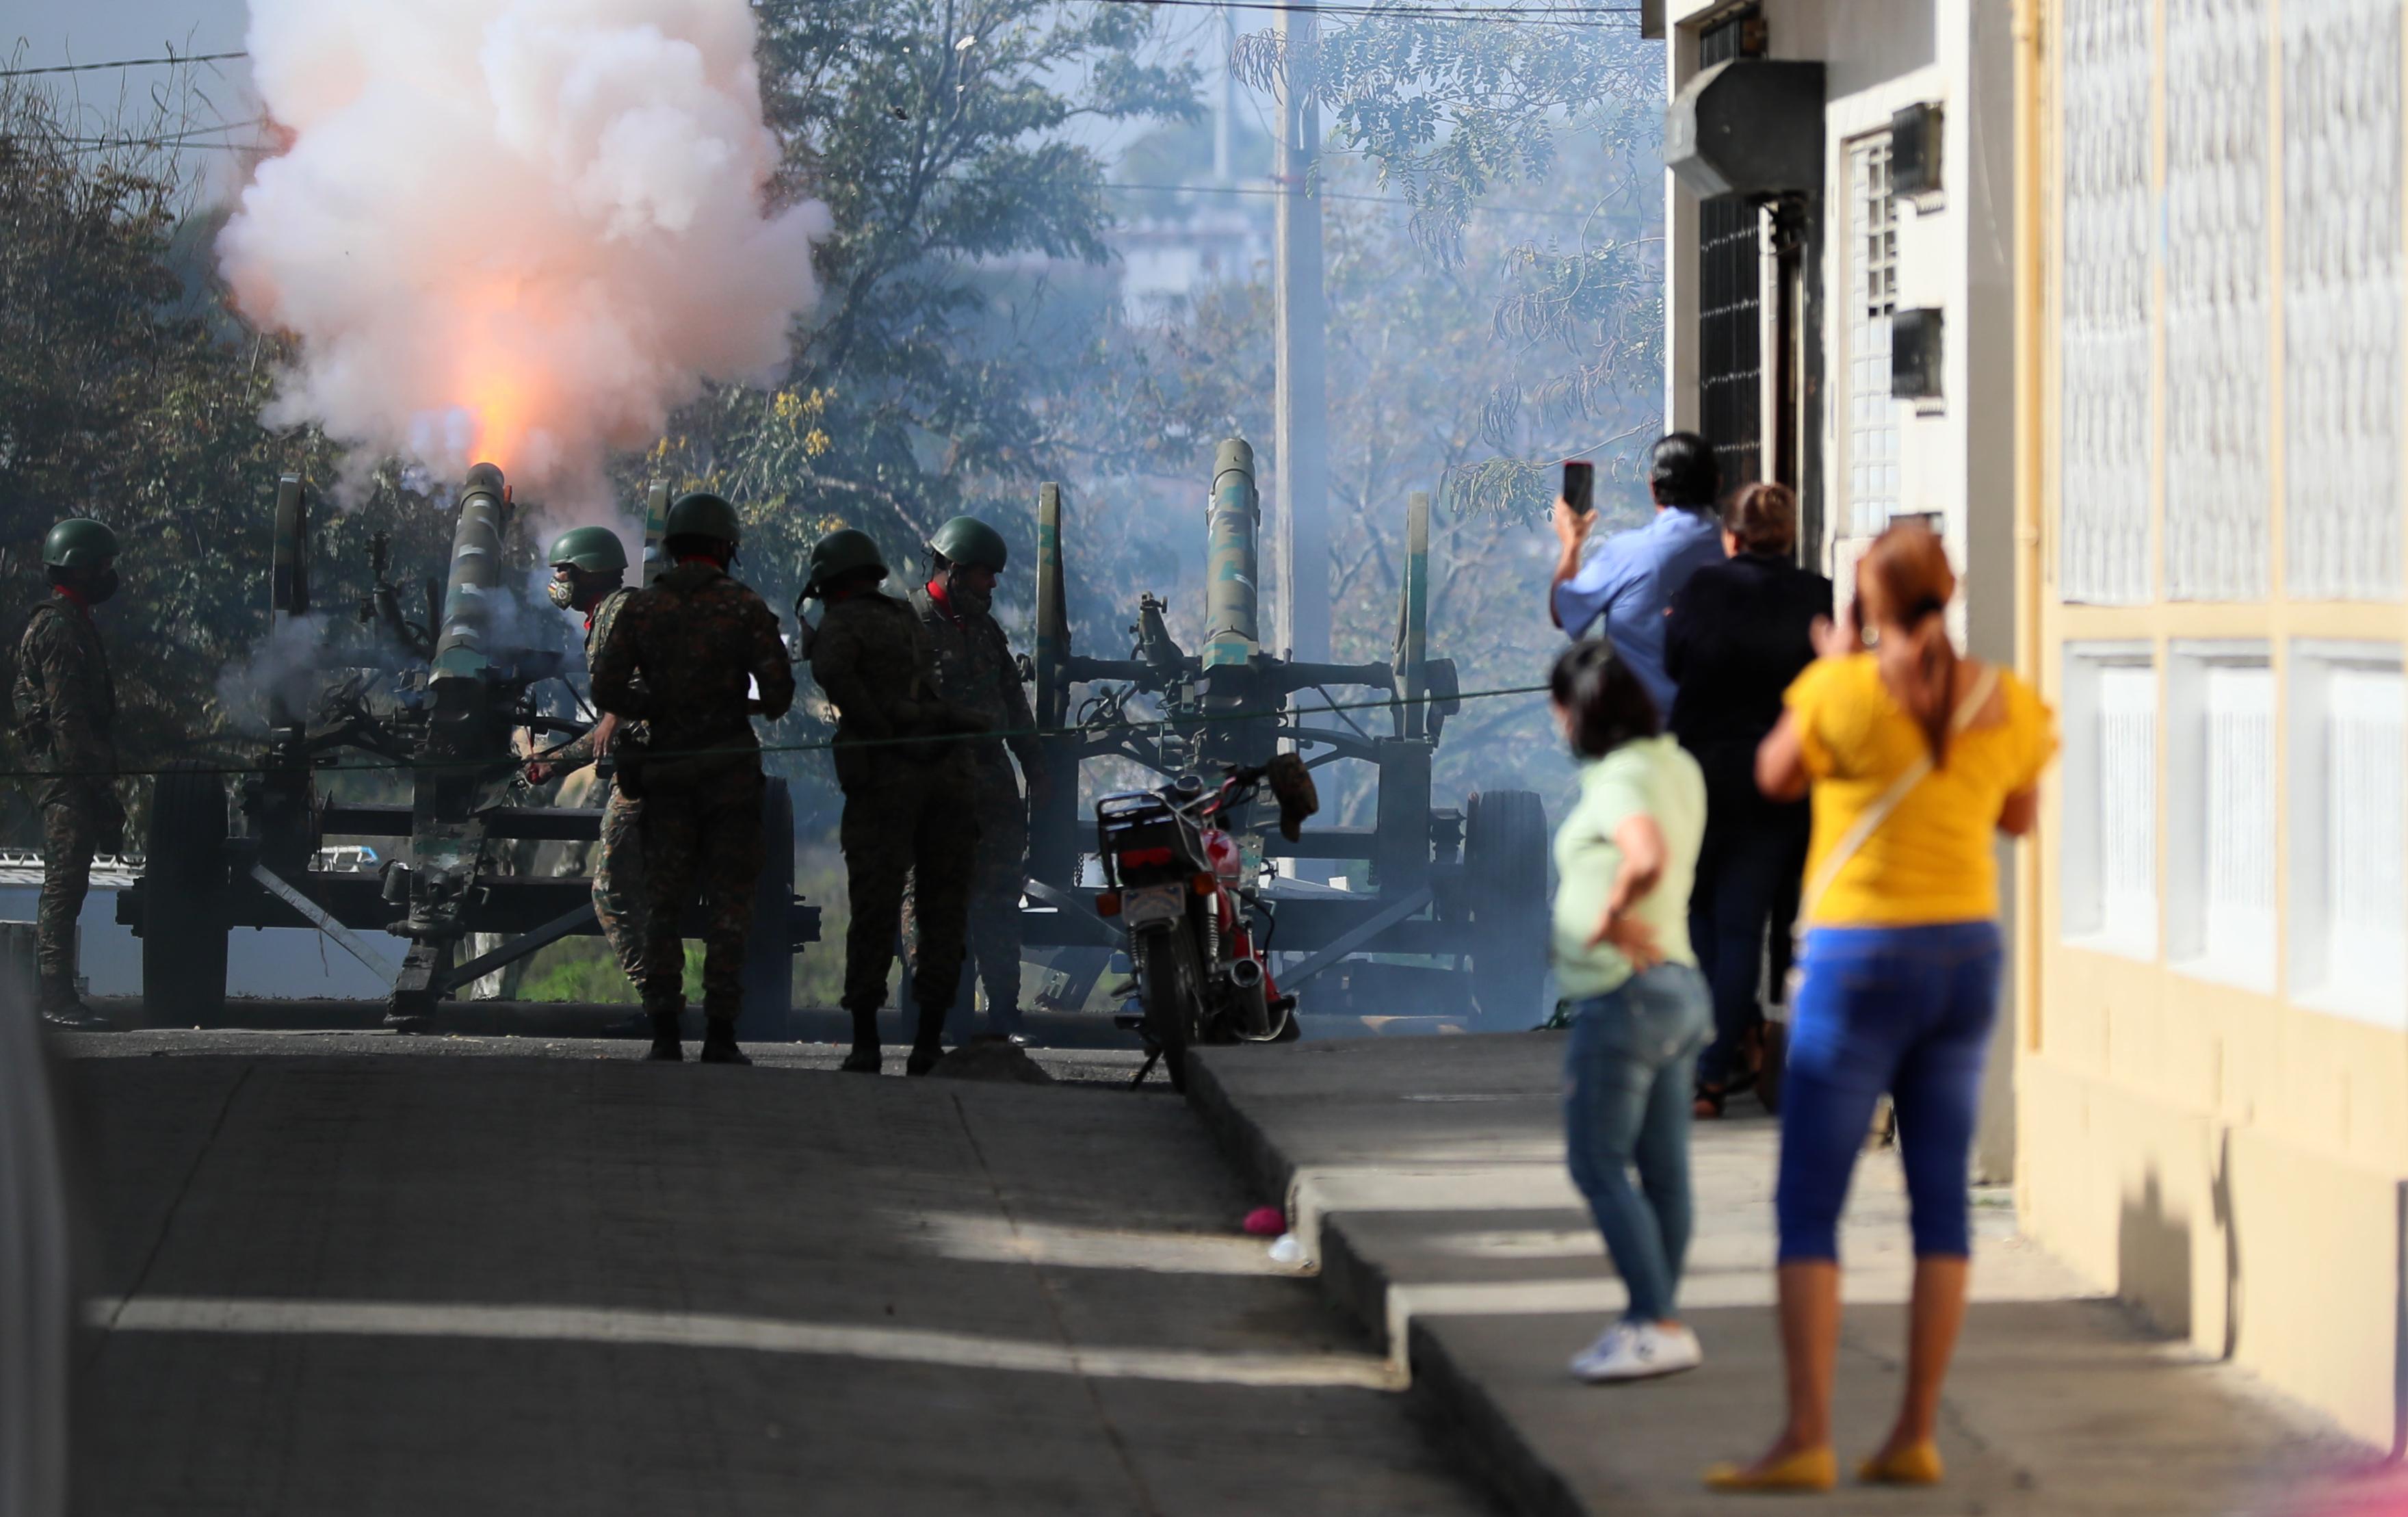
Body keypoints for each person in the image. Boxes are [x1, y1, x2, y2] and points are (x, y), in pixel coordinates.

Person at [1705, 521, 2056, 1493]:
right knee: (1939, 1201)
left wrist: (1836, 662)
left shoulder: (1842, 689)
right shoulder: (2003, 697)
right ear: (1952, 591)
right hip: (1964, 954)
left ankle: (1808, 1434)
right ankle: (1913, 1432)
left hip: (1857, 959)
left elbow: (1774, 775)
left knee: (1810, 1207)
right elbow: (2018, 815)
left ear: (1866, 601)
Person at [1547, 640, 1712, 1384]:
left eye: (1558, 710)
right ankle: (1656, 1321)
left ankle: (1655, 1320)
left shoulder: (1618, 778)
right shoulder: (1676, 765)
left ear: (1579, 712)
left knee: (1598, 1163)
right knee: (1664, 1172)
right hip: (1678, 987)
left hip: (1624, 998)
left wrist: (1610, 915)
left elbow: (1642, 854)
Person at [590, 493, 796, 1065]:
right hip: (730, 779)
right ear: (726, 547)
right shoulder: (746, 606)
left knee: (664, 904)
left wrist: (657, 705)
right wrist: (732, 704)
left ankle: (664, 1033)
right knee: (731, 905)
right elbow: (778, 695)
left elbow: (606, 689)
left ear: (675, 546)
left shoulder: (642, 608)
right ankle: (721, 1035)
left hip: (668, 778)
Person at [1663, 482, 1832, 1115]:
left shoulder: (1702, 589)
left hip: (1699, 774)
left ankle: (1722, 1045)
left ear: (1731, 537)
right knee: (1744, 928)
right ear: (1789, 536)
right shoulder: (1819, 596)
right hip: (1776, 781)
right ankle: (1715, 1072)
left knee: (1695, 914)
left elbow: (1674, 663)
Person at [802, 528, 982, 1076]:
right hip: (947, 773)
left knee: (876, 908)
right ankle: (928, 1043)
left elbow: (833, 673)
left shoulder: (843, 621)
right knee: (943, 910)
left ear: (830, 583)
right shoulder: (904, 615)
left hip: (888, 780)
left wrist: (876, 727)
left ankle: (866, 1044)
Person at [907, 515, 1047, 1042]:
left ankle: (1005, 1013)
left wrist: (1034, 765)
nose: (992, 586)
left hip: (991, 787)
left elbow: (1014, 700)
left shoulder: (986, 632)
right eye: (986, 575)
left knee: (998, 903)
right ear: (955, 569)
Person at [12, 518, 125, 1030]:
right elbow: (68, 718)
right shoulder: (59, 628)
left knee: (69, 886)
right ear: (79, 569)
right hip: (68, 778)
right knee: (63, 887)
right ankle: (57, 999)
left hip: (71, 774)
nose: (108, 575)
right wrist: (99, 788)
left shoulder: (70, 621)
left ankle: (58, 996)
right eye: (102, 566)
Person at [527, 526, 646, 994]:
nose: (558, 581)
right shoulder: (605, 618)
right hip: (641, 764)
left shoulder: (624, 611)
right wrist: (553, 763)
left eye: (564, 572)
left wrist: (614, 713)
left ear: (589, 572)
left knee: (610, 892)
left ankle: (658, 1001)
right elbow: (604, 737)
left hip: (649, 769)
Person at [1550, 432, 1728, 716]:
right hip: (1723, 728)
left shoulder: (1628, 553)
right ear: (1717, 484)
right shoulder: (1738, 550)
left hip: (1643, 729)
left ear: (1652, 486)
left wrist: (1571, 545)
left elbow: (1564, 610)